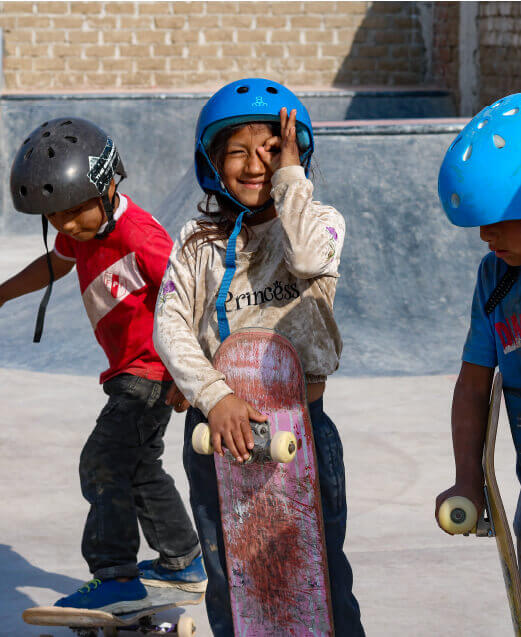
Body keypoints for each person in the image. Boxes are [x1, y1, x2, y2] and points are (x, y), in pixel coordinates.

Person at [154, 78, 365, 635]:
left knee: (319, 579)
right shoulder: (198, 240)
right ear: (213, 161)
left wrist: (290, 179)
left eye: (271, 149)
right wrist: (214, 395)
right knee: (234, 581)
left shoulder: (321, 223)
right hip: (217, 436)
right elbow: (170, 324)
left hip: (304, 429)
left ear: (296, 153)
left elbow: (305, 258)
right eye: (238, 153)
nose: (254, 165)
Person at [0, 117, 206, 613]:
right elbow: (57, 261)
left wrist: (191, 375)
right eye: (54, 217)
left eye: (73, 212)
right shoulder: (81, 230)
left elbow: (193, 296)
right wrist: (2, 294)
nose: (67, 226)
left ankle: (115, 576)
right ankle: (182, 562)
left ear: (109, 186)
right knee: (138, 465)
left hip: (151, 371)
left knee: (103, 462)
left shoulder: (139, 236)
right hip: (130, 372)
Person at [435, 93, 521, 567]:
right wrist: (468, 476)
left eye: (498, 219)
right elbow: (473, 384)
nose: (486, 235)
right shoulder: (495, 277)